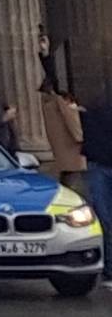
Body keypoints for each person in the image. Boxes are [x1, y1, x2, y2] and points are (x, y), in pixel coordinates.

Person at [82, 85, 112, 288]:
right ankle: (109, 269)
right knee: (105, 219)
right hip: (100, 164)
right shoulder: (96, 110)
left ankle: (109, 269)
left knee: (105, 219)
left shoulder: (92, 109)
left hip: (98, 164)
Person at [43, 82, 87, 194]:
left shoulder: (48, 108)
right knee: (76, 182)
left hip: (62, 154)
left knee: (67, 178)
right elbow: (76, 130)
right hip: (73, 152)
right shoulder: (64, 108)